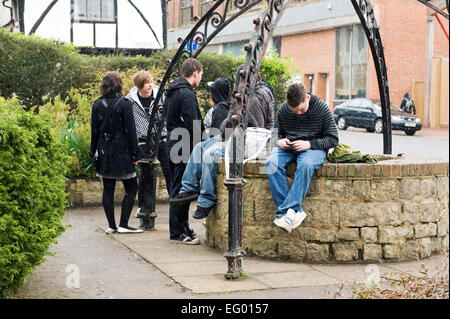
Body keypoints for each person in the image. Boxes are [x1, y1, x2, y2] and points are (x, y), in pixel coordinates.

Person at [170, 65, 273, 219]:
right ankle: (188, 188)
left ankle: (206, 200)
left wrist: (227, 124)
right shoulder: (248, 94)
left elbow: (241, 124)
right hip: (236, 137)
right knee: (199, 147)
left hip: (248, 142)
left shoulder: (253, 97)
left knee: (210, 154)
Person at [265, 83, 338, 233]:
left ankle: (286, 212)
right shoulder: (285, 108)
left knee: (305, 164)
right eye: (295, 110)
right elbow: (274, 134)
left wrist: (309, 144)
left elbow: (333, 139)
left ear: (308, 98)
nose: (298, 113)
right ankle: (290, 214)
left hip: (313, 149)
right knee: (271, 163)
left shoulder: (322, 108)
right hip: (289, 148)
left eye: (302, 109)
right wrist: (279, 141)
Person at [90, 71, 143, 234]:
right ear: (119, 84)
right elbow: (131, 132)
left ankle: (112, 226)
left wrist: (93, 153)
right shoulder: (124, 103)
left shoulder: (97, 104)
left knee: (108, 188)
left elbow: (94, 132)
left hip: (105, 152)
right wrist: (136, 155)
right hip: (122, 152)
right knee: (132, 188)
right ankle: (124, 224)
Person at [169, 77, 232, 212]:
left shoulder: (219, 109)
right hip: (216, 140)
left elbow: (216, 134)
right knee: (199, 148)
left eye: (211, 92)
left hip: (223, 143)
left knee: (207, 153)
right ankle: (188, 187)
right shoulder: (222, 108)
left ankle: (202, 197)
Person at [165, 58, 204, 244]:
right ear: (195, 72)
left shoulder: (172, 91)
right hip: (183, 144)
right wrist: (201, 145)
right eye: (201, 74)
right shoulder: (187, 94)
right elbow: (192, 124)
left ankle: (182, 227)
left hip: (173, 141)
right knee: (181, 188)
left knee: (178, 186)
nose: (201, 78)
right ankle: (178, 232)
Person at [127, 70, 172, 215]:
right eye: (147, 82)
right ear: (140, 85)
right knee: (145, 175)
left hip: (161, 138)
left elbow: (168, 115)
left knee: (169, 171)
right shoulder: (130, 101)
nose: (150, 85)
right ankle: (143, 208)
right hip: (143, 141)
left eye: (151, 81)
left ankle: (175, 202)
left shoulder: (160, 97)